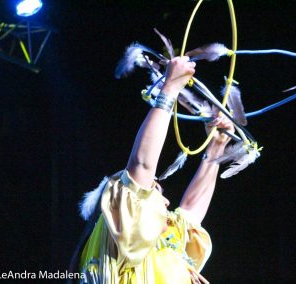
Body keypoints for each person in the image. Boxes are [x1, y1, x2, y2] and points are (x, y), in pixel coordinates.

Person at [78, 56, 234, 283]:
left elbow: (190, 212)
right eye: (154, 194)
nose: (167, 203)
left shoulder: (162, 245)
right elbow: (141, 168)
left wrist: (217, 145)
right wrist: (169, 89)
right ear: (120, 212)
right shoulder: (123, 242)